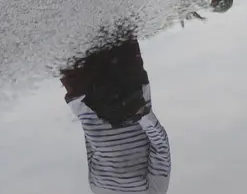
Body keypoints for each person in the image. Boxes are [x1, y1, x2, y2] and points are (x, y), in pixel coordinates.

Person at [60, 37, 171, 193]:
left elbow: (92, 146)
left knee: (63, 35)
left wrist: (78, 106)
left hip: (84, 97)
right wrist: (142, 115)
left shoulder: (98, 190)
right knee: (116, 25)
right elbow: (161, 148)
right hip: (128, 91)